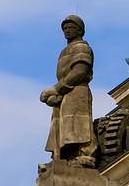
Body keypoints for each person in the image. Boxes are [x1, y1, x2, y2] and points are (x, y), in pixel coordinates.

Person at [40, 14, 96, 168]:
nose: (67, 31)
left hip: (77, 91)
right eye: (65, 28)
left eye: (71, 28)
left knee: (78, 126)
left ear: (80, 30)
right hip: (65, 93)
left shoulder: (82, 47)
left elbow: (80, 71)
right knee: (63, 128)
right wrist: (55, 95)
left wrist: (57, 89)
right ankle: (63, 158)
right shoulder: (64, 51)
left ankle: (84, 155)